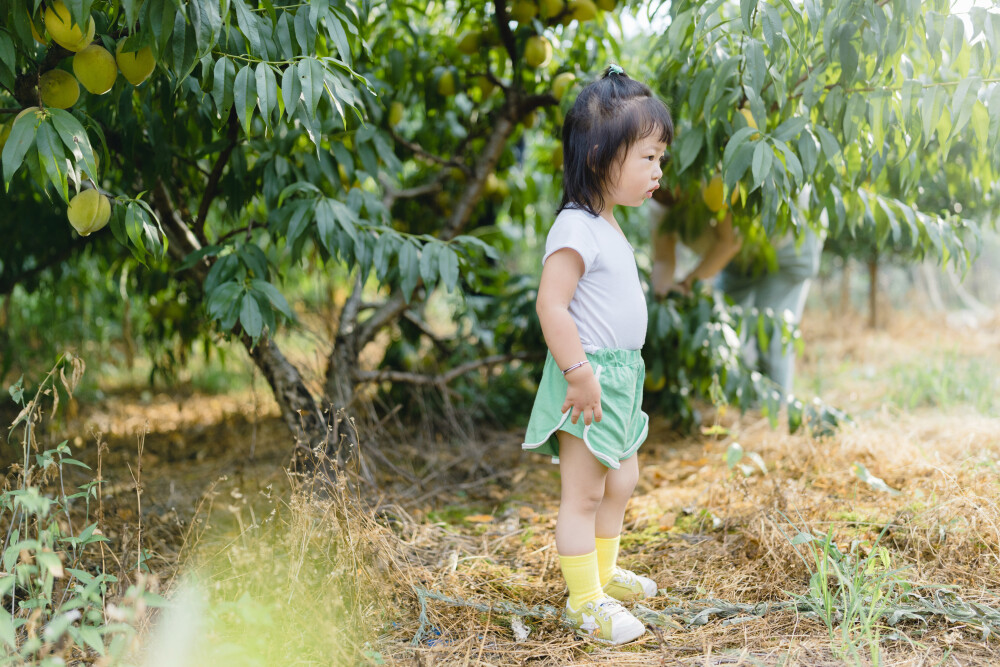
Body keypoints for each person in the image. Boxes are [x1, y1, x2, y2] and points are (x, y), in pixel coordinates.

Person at [521, 65, 673, 645]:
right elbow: (552, 306)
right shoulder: (575, 226)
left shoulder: (608, 223)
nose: (658, 170)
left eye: (660, 158)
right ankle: (584, 600)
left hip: (619, 376)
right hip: (587, 378)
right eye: (648, 158)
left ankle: (604, 573)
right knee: (584, 491)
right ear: (598, 159)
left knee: (621, 479)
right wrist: (578, 373)